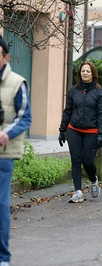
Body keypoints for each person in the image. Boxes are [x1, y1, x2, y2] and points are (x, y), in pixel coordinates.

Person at [0, 35, 32, 266]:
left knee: (0, 206)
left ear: (6, 57)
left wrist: (6, 134)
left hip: (3, 155)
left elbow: (24, 117)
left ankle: (3, 258)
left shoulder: (17, 82)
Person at [59, 62, 102, 203]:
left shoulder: (99, 92)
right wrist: (62, 130)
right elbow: (68, 111)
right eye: (83, 71)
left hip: (91, 131)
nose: (85, 73)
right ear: (80, 73)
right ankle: (78, 192)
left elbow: (101, 114)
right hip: (74, 130)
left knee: (88, 162)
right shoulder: (74, 90)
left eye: (88, 71)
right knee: (76, 160)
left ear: (93, 74)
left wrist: (100, 134)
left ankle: (93, 180)